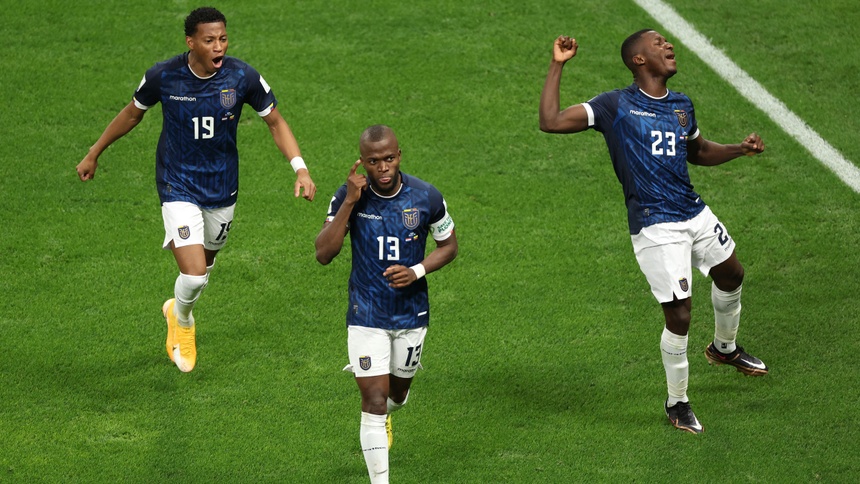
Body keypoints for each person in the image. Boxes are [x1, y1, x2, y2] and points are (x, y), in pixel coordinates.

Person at [539, 30, 768, 433]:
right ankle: (677, 402)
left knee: (732, 274)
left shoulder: (681, 106)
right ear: (638, 59)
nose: (669, 46)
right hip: (655, 224)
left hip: (692, 211)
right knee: (680, 314)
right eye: (658, 43)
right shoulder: (615, 105)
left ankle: (724, 348)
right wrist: (558, 65)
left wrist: (739, 149)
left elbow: (697, 151)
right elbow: (551, 121)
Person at [76, 7, 316, 373]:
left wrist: (300, 169)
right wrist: (94, 153)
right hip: (177, 183)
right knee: (193, 274)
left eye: (223, 39)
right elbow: (131, 114)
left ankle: (176, 307)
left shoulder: (242, 77)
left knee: (207, 264)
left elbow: (275, 122)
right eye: (209, 40)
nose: (218, 46)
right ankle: (183, 321)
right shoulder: (164, 76)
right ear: (191, 42)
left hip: (222, 187)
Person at [315, 125, 457, 483]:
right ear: (362, 162)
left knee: (396, 395)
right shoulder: (349, 196)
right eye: (374, 161)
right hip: (366, 313)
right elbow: (323, 253)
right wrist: (350, 201)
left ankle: (387, 415)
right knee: (374, 402)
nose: (383, 167)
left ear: (399, 156)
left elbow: (449, 246)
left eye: (389, 159)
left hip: (411, 314)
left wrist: (416, 271)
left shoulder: (426, 197)